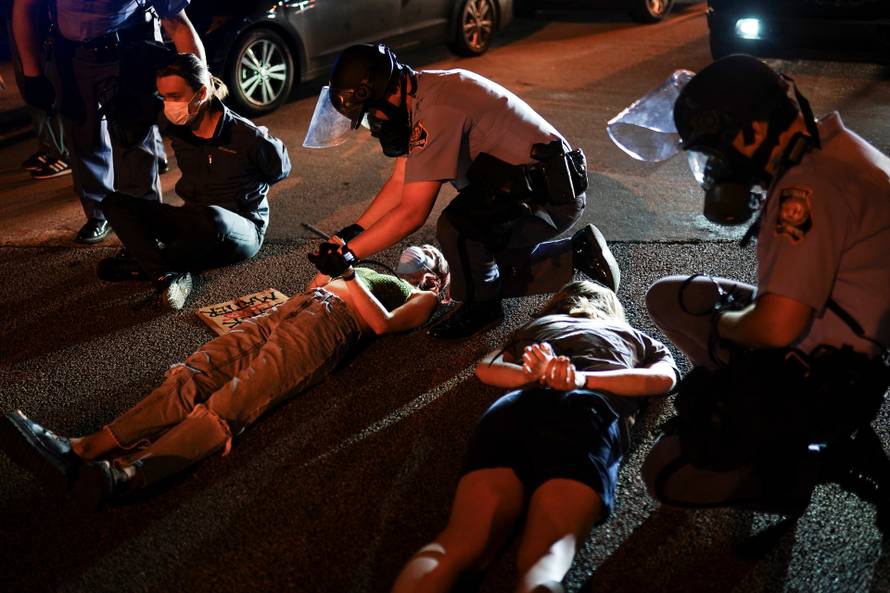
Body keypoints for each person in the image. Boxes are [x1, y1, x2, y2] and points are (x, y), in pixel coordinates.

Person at [624, 56, 890, 514]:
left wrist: (724, 324)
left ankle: (810, 467)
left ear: (751, 133)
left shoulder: (805, 190)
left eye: (716, 152)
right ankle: (736, 401)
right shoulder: (834, 148)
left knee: (664, 475)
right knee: (670, 297)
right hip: (839, 330)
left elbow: (774, 330)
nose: (715, 169)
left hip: (827, 375)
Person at [0, 244, 451, 510]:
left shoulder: (421, 295)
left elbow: (383, 325)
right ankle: (83, 448)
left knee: (235, 399)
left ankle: (129, 474)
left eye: (431, 257)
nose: (420, 256)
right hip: (293, 308)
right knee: (194, 373)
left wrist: (349, 275)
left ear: (438, 279)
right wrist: (332, 266)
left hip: (334, 326)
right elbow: (322, 283)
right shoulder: (376, 270)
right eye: (418, 251)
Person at [303, 43, 620, 340]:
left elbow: (412, 212)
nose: (375, 121)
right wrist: (354, 232)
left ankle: (483, 310)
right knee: (473, 266)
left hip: (549, 201)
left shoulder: (436, 110)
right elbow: (401, 182)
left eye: (373, 112)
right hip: (527, 188)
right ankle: (577, 252)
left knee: (459, 233)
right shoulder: (420, 93)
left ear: (389, 93)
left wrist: (349, 254)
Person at [390, 279, 678, 593]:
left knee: (459, 543)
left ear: (557, 304)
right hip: (586, 413)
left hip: (516, 408)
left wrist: (534, 374)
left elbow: (486, 369)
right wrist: (580, 378)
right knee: (548, 555)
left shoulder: (536, 328)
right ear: (612, 311)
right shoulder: (637, 338)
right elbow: (663, 379)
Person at [96, 52, 291, 310]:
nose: (168, 105)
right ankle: (164, 274)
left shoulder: (248, 137)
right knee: (114, 203)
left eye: (175, 97)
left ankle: (147, 266)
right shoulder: (177, 127)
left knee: (213, 219)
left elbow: (280, 170)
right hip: (193, 221)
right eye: (164, 96)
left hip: (240, 229)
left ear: (201, 94)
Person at [12, 0, 205, 243]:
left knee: (134, 137)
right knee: (82, 135)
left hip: (129, 47)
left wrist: (200, 85)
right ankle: (99, 213)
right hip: (70, 53)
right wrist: (33, 74)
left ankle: (145, 221)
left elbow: (178, 24)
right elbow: (24, 7)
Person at [3, 0, 70, 180]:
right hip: (16, 12)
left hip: (37, 14)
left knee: (44, 78)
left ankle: (63, 152)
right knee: (28, 81)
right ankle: (49, 146)